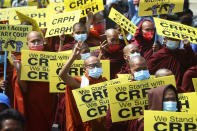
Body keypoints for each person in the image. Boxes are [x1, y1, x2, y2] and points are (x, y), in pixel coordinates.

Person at [11, 31, 55, 131]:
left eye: (38, 41)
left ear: (43, 41)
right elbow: (24, 88)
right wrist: (19, 70)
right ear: (27, 44)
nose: (36, 44)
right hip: (30, 103)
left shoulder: (50, 58)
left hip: (47, 101)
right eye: (33, 41)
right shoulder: (22, 60)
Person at [58, 41, 107, 130]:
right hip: (86, 126)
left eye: (98, 65)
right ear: (85, 69)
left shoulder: (104, 81)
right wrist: (73, 57)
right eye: (92, 66)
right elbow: (62, 75)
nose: (96, 68)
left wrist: (101, 54)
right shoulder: (81, 82)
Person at [106, 56, 150, 131]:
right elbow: (114, 120)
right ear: (130, 71)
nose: (142, 72)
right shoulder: (121, 92)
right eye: (138, 70)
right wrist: (137, 122)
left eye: (144, 69)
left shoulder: (156, 87)